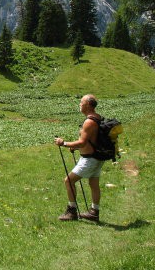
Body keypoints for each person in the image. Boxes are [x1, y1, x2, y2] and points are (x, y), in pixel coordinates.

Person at [54, 94, 103, 222]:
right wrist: (75, 147)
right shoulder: (98, 118)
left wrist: (63, 143)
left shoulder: (89, 121)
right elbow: (91, 140)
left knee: (69, 181)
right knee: (94, 183)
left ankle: (72, 211)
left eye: (81, 102)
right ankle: (94, 212)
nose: (80, 104)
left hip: (89, 159)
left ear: (88, 105)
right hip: (98, 157)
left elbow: (82, 142)